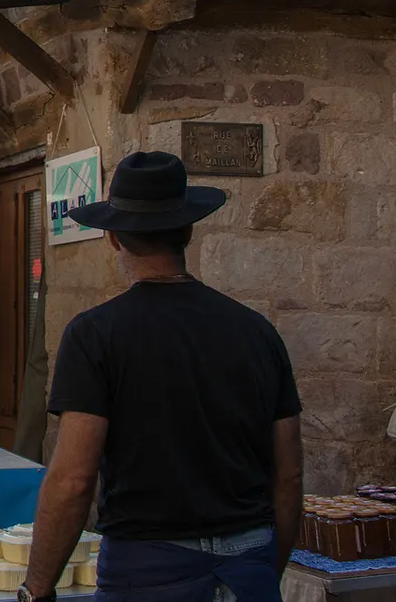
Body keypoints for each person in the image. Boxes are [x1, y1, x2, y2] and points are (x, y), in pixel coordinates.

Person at [22, 151, 302, 602]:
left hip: (147, 567)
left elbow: (74, 479)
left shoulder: (95, 335)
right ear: (188, 229)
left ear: (113, 238)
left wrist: (36, 589)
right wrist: (266, 569)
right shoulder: (257, 332)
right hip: (248, 561)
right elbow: (289, 474)